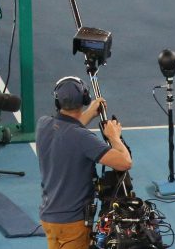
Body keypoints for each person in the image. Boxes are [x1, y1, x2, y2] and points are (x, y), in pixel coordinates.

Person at [36, 76, 132, 249]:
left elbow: (69, 129)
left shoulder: (43, 124)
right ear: (85, 100)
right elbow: (124, 162)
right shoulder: (83, 138)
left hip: (49, 219)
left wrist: (90, 113)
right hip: (72, 223)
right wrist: (114, 137)